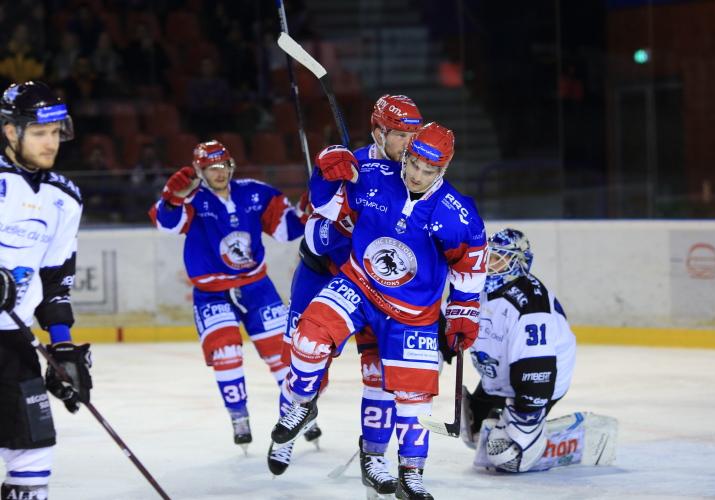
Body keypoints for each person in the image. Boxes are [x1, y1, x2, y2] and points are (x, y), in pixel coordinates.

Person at [271, 122, 487, 499]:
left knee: (413, 399)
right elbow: (325, 207)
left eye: (429, 170)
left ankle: (409, 472)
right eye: (414, 164)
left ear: (444, 169)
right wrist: (323, 173)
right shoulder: (372, 175)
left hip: (412, 313)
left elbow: (469, 270)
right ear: (407, 155)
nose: (417, 175)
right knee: (308, 338)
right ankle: (302, 402)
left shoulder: (459, 215)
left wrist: (462, 314)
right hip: (359, 285)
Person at [268, 94, 425, 479]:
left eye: (414, 134)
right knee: (303, 359)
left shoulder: (419, 176)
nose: (410, 143)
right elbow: (315, 234)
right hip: (323, 274)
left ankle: (375, 454)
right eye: (401, 134)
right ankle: (293, 420)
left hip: (375, 286)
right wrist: (325, 179)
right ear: (378, 132)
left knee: (379, 371)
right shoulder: (349, 167)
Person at [149, 140, 305, 452]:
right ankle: (238, 415)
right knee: (226, 353)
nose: (218, 173)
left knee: (281, 354)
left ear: (231, 165)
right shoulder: (192, 198)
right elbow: (167, 224)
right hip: (212, 293)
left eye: (222, 165)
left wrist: (309, 206)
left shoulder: (255, 193)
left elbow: (287, 230)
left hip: (256, 287)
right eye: (210, 168)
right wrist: (172, 198)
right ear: (199, 171)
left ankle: (297, 413)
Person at [0, 80, 92, 499]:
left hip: (15, 342)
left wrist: (63, 347)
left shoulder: (65, 199)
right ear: (10, 131)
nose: (50, 142)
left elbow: (55, 282)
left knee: (34, 452)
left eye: (55, 132)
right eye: (39, 132)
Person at [461, 228, 577, 472]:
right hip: (503, 375)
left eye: (497, 258)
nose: (488, 264)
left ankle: (563, 442)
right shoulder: (478, 287)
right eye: (488, 256)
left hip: (539, 383)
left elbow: (537, 367)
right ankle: (514, 422)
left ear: (519, 262)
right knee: (473, 432)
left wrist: (526, 413)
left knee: (507, 456)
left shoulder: (530, 305)